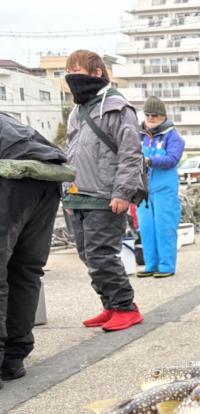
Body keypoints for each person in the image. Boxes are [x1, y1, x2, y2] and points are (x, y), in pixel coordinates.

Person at [63, 50, 143, 331]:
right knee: (87, 255)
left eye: (76, 70)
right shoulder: (77, 111)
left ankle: (125, 307)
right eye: (68, 72)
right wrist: (67, 191)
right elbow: (71, 152)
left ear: (97, 72)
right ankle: (110, 304)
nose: (71, 76)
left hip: (105, 196)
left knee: (102, 255)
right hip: (78, 194)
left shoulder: (117, 107)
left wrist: (122, 192)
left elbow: (131, 153)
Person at [0, 113, 72, 388]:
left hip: (12, 176)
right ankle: (13, 359)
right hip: (46, 176)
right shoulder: (8, 121)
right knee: (25, 269)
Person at [138, 96, 185, 278]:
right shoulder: (139, 135)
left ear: (163, 116)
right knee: (146, 228)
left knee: (164, 227)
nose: (150, 118)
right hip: (142, 189)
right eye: (147, 114)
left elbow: (172, 159)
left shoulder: (173, 137)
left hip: (164, 190)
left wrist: (150, 161)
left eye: (155, 115)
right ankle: (150, 265)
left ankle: (166, 266)